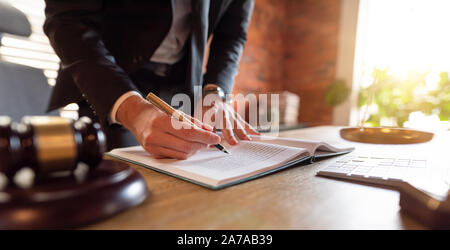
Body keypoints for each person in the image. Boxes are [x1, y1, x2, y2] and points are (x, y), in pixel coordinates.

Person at [43, 0, 259, 159]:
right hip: (107, 80)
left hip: (180, 83)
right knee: (121, 172)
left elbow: (232, 36)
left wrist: (215, 91)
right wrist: (132, 110)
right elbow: (67, 22)